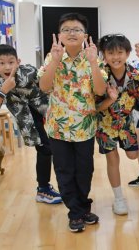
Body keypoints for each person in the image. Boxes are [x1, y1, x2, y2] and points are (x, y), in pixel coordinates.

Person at [38, 13, 107, 232]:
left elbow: (99, 90)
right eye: (66, 29)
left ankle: (82, 206)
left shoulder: (93, 58)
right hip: (58, 127)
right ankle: (76, 213)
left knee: (85, 170)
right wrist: (56, 60)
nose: (71, 33)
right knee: (64, 170)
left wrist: (94, 62)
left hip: (85, 128)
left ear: (85, 35)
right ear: (60, 35)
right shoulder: (52, 57)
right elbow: (44, 87)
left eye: (76, 29)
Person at [0, 44, 62, 205]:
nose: (7, 66)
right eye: (1, 63)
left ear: (18, 62)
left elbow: (47, 82)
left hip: (50, 112)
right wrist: (3, 90)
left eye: (11, 62)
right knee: (45, 149)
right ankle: (43, 189)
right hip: (29, 121)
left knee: (58, 147)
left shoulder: (29, 71)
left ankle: (60, 185)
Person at [95, 34, 139, 215]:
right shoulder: (100, 74)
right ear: (103, 54)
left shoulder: (135, 75)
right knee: (112, 159)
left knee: (133, 155)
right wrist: (110, 99)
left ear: (127, 53)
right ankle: (118, 199)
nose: (115, 57)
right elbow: (97, 108)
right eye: (110, 53)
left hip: (126, 124)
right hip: (105, 126)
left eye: (120, 52)